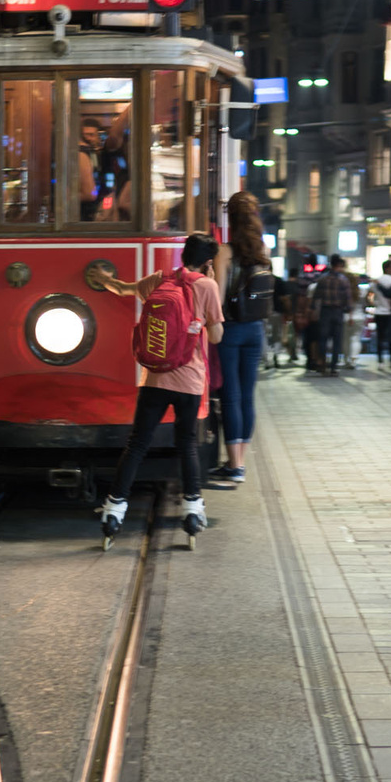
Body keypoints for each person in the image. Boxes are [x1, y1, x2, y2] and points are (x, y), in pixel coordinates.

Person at [91, 234, 226, 545]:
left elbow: (123, 289)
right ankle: (192, 510)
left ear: (183, 256)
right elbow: (216, 337)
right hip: (189, 382)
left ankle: (113, 510)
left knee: (137, 444)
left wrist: (106, 279)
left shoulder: (158, 280)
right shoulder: (207, 286)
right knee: (187, 444)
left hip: (154, 380)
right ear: (207, 262)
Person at [214, 201, 273, 486]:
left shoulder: (225, 251)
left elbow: (219, 297)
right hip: (256, 329)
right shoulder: (263, 251)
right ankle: (241, 461)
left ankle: (233, 465)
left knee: (231, 395)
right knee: (248, 395)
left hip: (232, 328)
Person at [313, 257, 358, 372]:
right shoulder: (343, 280)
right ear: (339, 265)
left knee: (323, 338)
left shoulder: (322, 279)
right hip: (338, 312)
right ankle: (333, 366)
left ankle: (322, 363)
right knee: (337, 339)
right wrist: (350, 314)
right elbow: (348, 299)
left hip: (325, 311)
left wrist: (313, 310)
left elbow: (316, 297)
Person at [370, 258, 391, 377]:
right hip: (390, 313)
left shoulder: (375, 282)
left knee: (380, 337)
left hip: (379, 312)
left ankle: (380, 361)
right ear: (389, 268)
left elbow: (369, 297)